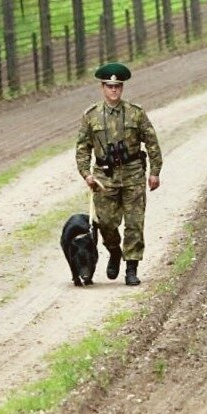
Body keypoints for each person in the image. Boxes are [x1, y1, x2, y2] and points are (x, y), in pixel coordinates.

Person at [75, 62, 163, 285]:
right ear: (102, 88)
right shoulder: (91, 116)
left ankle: (131, 267)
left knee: (135, 223)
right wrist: (87, 174)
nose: (114, 90)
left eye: (117, 86)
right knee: (106, 223)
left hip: (133, 174)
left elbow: (151, 142)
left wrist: (155, 172)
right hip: (105, 178)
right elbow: (82, 148)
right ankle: (114, 251)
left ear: (122, 88)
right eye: (109, 86)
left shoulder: (135, 113)